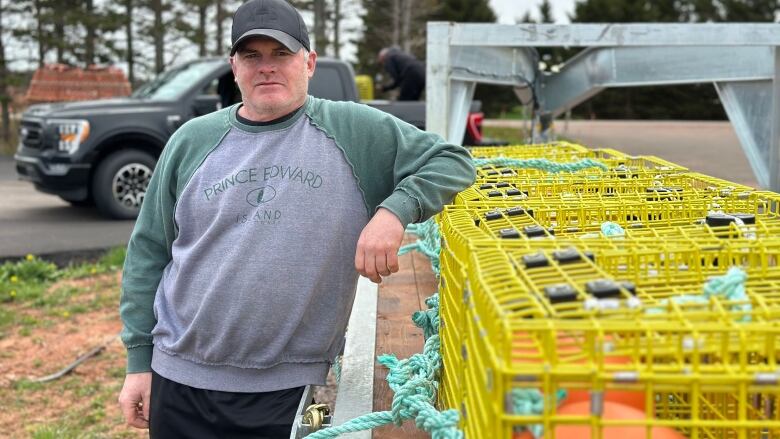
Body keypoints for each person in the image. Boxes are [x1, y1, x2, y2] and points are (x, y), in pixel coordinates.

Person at [116, 0, 475, 437]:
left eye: (281, 54)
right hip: (177, 377)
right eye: (252, 56)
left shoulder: (353, 130)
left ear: (309, 62)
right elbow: (149, 252)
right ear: (234, 67)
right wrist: (139, 363)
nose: (267, 67)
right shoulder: (192, 140)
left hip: (286, 387)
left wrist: (393, 212)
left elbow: (453, 161)